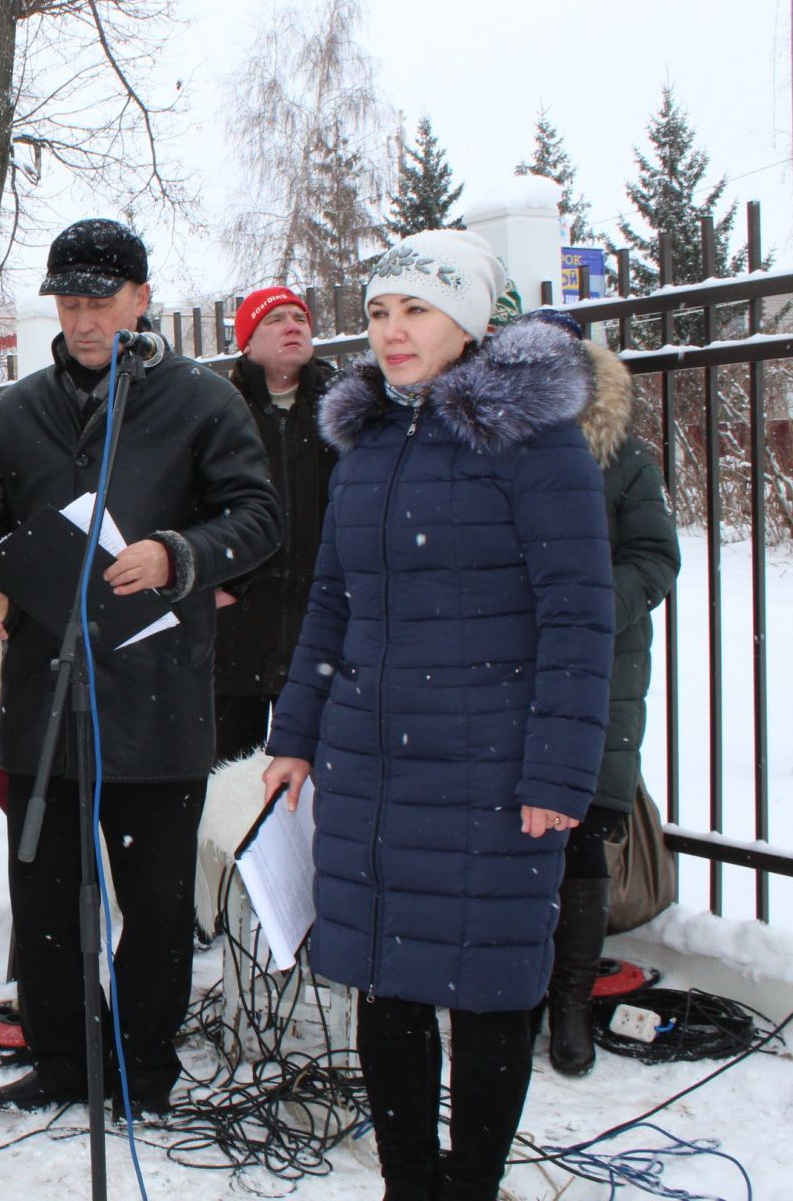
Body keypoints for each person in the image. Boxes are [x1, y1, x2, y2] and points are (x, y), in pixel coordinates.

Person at [260, 230, 615, 1201]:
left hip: (490, 768)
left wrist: (556, 773)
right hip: (377, 764)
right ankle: (409, 1183)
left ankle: (469, 1184)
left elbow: (580, 614)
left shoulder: (536, 442)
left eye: (415, 308)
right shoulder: (369, 442)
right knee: (389, 980)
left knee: (489, 988)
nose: (392, 330)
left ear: (469, 318)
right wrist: (296, 734)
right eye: (379, 312)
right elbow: (331, 601)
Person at [0, 218, 282, 1118]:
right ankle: (63, 1055)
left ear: (141, 300)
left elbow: (258, 515)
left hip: (154, 695)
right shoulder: (21, 409)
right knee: (48, 899)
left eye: (101, 301)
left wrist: (179, 554)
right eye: (68, 302)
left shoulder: (202, 403)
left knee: (156, 904)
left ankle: (141, 1063)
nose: (84, 319)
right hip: (44, 701)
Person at [523, 309, 680, 1078]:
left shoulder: (623, 457)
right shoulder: (496, 447)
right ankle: (516, 993)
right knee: (515, 829)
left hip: (600, 668)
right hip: (508, 666)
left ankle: (572, 1003)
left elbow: (655, 558)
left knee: (581, 829)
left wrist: (581, 603)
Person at [213, 286, 340, 763]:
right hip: (236, 633)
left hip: (320, 631)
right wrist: (216, 579)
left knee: (313, 789)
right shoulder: (220, 412)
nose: (292, 325)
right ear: (247, 341)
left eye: (299, 317)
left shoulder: (344, 409)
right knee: (225, 789)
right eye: (274, 319)